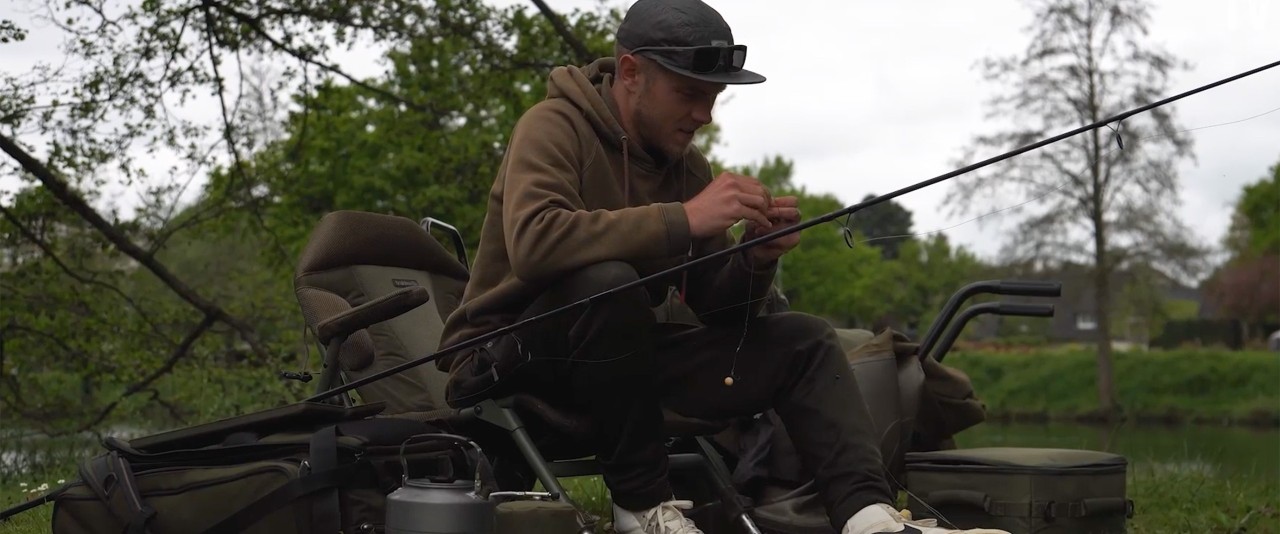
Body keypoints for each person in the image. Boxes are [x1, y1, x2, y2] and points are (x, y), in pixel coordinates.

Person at [435, 1, 1011, 533]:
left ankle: (869, 515)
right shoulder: (552, 125)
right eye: (690, 93)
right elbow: (537, 242)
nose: (704, 114)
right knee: (606, 283)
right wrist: (686, 217)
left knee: (805, 339)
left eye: (713, 96)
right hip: (511, 356)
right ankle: (641, 507)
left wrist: (752, 259)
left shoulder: (686, 163)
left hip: (623, 361)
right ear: (631, 73)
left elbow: (714, 308)